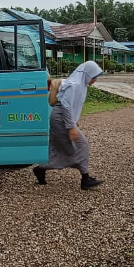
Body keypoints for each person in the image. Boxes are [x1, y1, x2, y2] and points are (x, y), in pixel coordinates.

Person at [33, 61, 105, 190]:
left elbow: (73, 105)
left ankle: (41, 169)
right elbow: (65, 106)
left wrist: (74, 120)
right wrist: (71, 127)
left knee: (64, 149)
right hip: (61, 119)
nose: (95, 80)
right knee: (81, 146)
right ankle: (85, 179)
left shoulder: (80, 85)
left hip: (62, 119)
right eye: (94, 76)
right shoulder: (75, 85)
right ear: (87, 74)